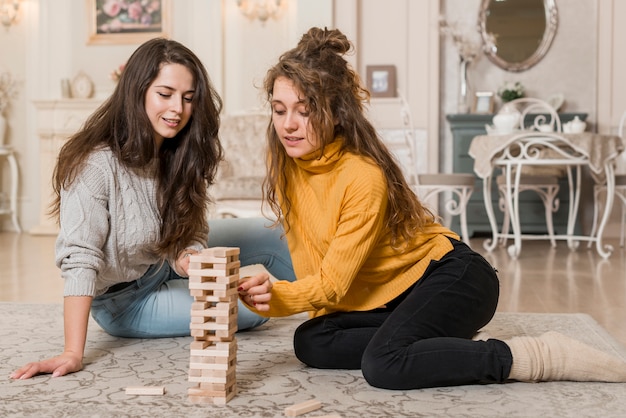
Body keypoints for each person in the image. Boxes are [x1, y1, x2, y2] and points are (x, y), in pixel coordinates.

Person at [236, 27, 626, 390]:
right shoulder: (288, 165)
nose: (288, 124)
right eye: (279, 108)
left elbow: (333, 283)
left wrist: (279, 295)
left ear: (337, 112)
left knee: (383, 364)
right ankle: (430, 339)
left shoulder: (362, 176)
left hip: (455, 276)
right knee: (312, 342)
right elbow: (315, 264)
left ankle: (537, 355)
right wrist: (279, 298)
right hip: (394, 297)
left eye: (304, 110)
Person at [10, 38, 293, 380]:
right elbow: (80, 257)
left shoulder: (181, 150)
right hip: (126, 300)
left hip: (163, 260)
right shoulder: (95, 165)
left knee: (275, 233)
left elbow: (191, 226)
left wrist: (189, 254)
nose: (178, 109)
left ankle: (335, 306)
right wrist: (73, 351)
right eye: (165, 93)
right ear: (138, 90)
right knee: (251, 311)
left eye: (188, 98)